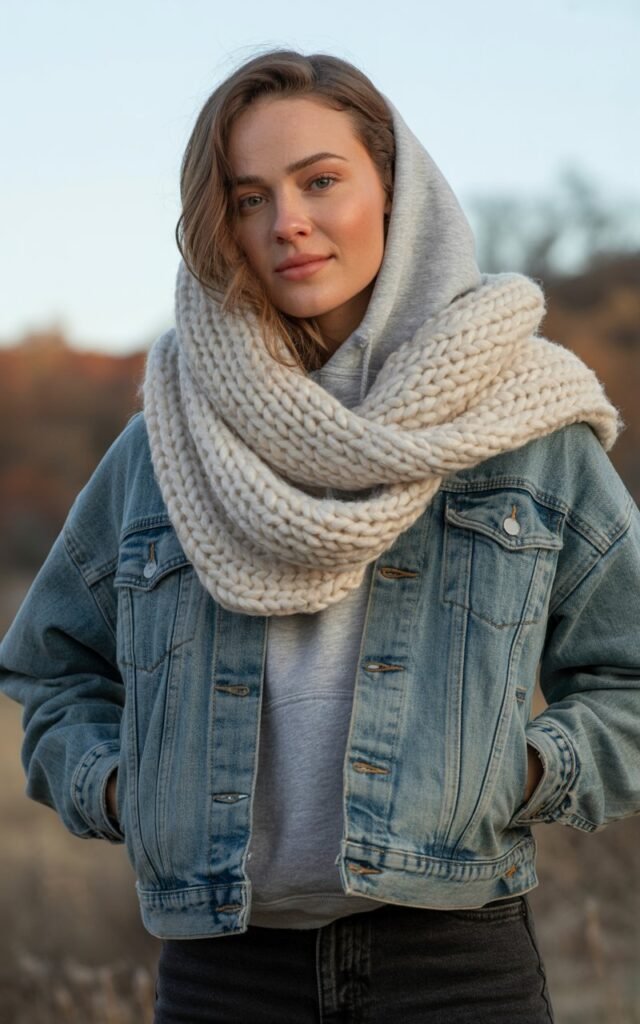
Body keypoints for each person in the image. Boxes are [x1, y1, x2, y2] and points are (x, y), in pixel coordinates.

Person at [1, 49, 639, 1024]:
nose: (286, 221)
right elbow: (50, 666)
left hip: (455, 967)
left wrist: (520, 774)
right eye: (249, 198)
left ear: (395, 190)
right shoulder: (167, 443)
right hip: (225, 974)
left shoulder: (526, 429)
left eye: (321, 181)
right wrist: (127, 791)